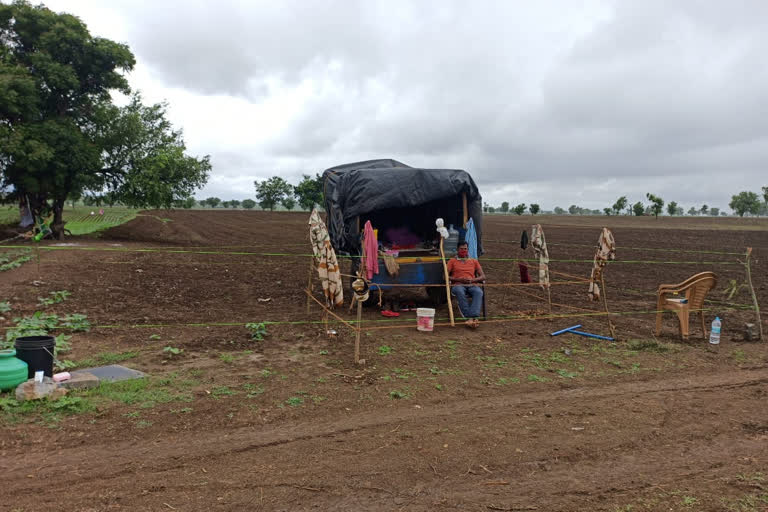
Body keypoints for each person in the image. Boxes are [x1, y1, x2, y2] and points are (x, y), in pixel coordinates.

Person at [447, 240, 485, 328]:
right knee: (459, 291)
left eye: (465, 249)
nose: (464, 250)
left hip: (471, 283)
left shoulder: (474, 261)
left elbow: (483, 276)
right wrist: (459, 279)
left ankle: (472, 317)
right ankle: (470, 318)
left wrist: (473, 280)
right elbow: (445, 276)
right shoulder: (452, 261)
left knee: (478, 292)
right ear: (457, 250)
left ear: (468, 250)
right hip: (458, 284)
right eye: (461, 249)